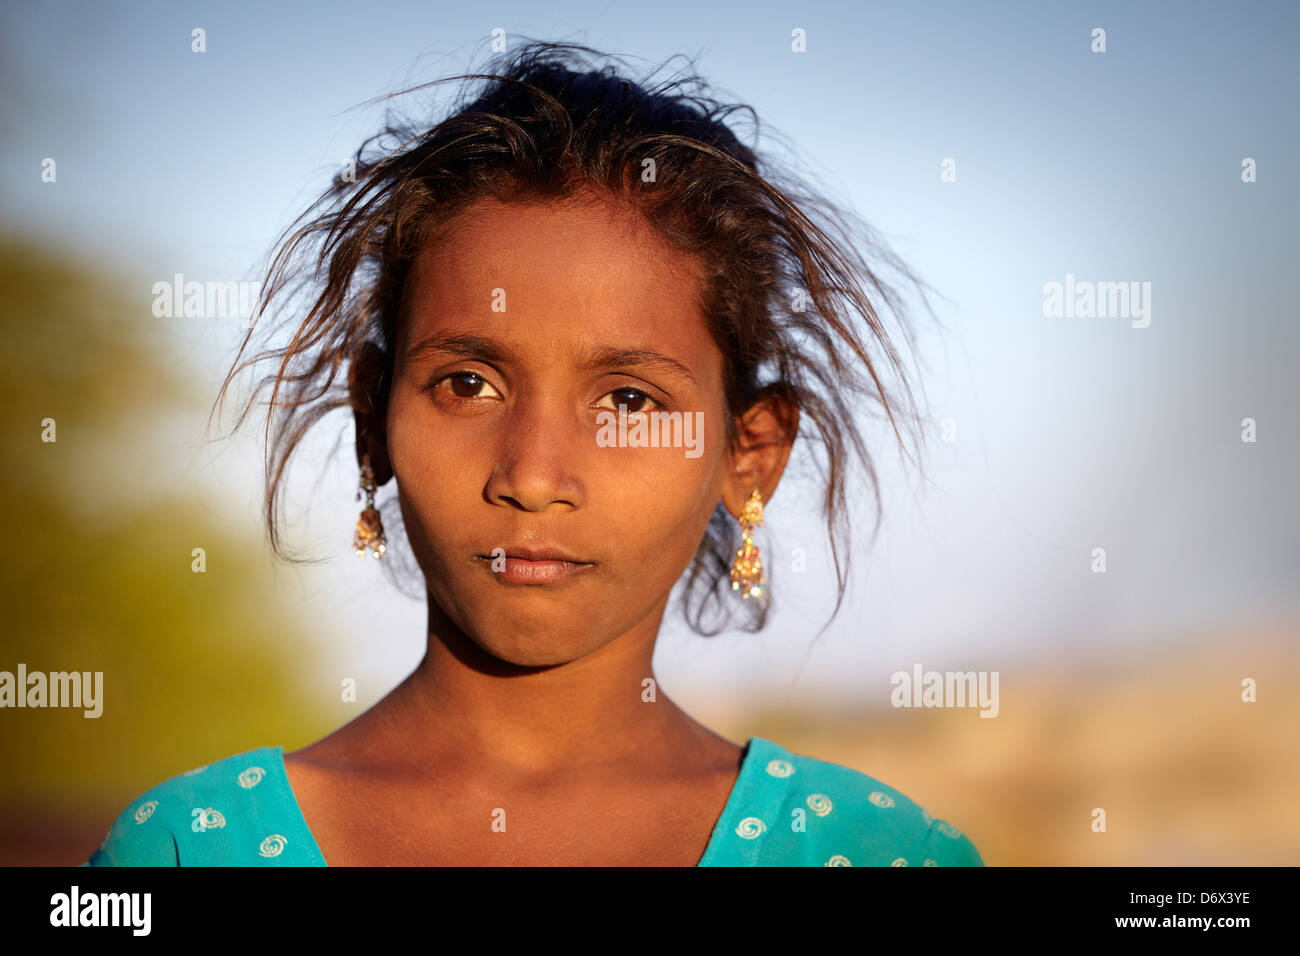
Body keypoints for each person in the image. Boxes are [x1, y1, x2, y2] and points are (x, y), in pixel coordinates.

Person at [87, 40, 982, 867]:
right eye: (467, 384)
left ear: (748, 456)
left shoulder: (873, 852)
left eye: (628, 401)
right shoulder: (187, 849)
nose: (532, 476)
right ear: (374, 422)